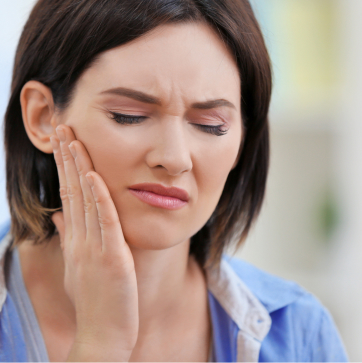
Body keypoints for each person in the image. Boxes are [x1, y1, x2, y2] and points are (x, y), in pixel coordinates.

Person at [0, 0, 348, 361]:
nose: (174, 158)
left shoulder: (299, 335)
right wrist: (99, 343)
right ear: (42, 116)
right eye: (129, 116)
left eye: (211, 125)